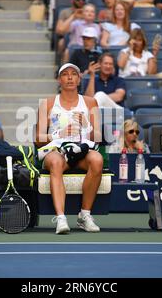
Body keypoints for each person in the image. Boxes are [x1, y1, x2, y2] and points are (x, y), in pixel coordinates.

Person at [35, 62, 103, 234]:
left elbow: (98, 138)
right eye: (65, 74)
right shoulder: (48, 104)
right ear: (59, 79)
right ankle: (61, 219)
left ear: (79, 79)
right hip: (56, 153)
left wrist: (87, 126)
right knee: (56, 162)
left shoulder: (90, 102)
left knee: (97, 159)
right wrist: (59, 134)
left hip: (81, 152)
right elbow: (38, 139)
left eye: (74, 73)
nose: (70, 77)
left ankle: (85, 216)